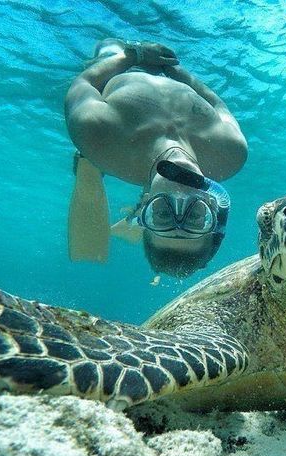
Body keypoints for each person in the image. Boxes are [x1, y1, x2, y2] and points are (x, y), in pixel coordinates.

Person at [65, 38, 247, 277]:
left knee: (106, 44)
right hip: (168, 68)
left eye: (162, 214)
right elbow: (217, 104)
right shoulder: (231, 152)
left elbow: (85, 82)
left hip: (119, 62)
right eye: (195, 216)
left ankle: (88, 164)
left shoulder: (100, 137)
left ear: (144, 205)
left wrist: (133, 56)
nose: (179, 195)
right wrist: (175, 71)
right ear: (213, 206)